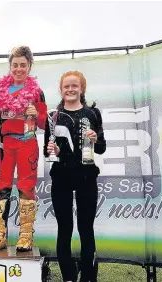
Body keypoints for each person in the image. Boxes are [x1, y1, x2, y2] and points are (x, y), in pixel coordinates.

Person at [44, 71, 106, 282]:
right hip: (61, 178)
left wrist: (96, 138)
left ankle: (89, 277)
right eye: (66, 87)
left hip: (87, 177)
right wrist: (55, 150)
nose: (70, 90)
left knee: (86, 228)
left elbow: (102, 148)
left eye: (74, 86)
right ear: (61, 90)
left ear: (82, 89)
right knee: (65, 228)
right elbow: (48, 150)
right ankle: (69, 276)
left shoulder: (93, 114)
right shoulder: (53, 116)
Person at [0, 46, 47, 252]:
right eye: (15, 65)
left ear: (29, 66)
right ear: (10, 66)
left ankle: (26, 235)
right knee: (0, 187)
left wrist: (36, 114)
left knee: (25, 186)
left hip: (27, 143)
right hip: (5, 145)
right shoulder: (0, 91)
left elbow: (45, 123)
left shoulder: (37, 93)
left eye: (23, 65)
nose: (19, 69)